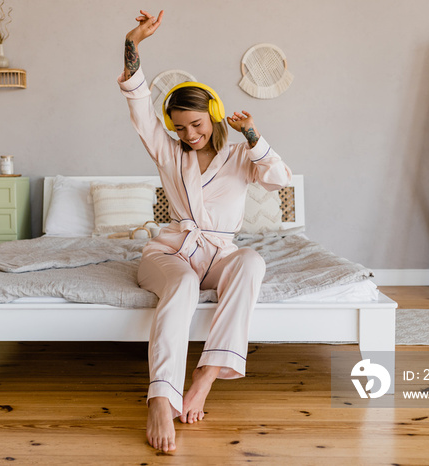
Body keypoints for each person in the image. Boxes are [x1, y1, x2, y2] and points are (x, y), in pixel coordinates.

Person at [118, 10, 292, 452]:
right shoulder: (167, 152)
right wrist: (133, 42)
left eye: (195, 124)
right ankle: (160, 396)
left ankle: (206, 375)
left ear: (213, 115)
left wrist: (253, 135)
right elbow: (139, 107)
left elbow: (278, 179)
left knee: (252, 261)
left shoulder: (239, 157)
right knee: (180, 286)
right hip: (171, 253)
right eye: (179, 127)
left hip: (218, 254)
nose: (189, 134)